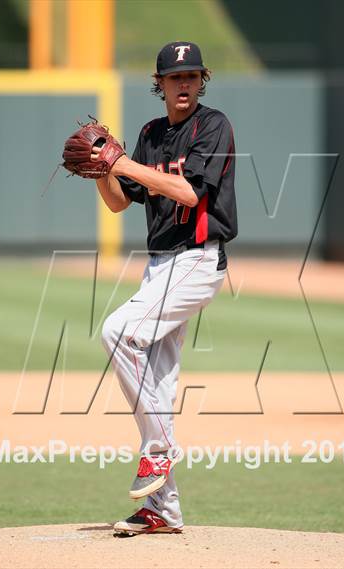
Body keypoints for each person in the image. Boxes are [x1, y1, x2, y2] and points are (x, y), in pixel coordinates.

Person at [92, 41, 238, 535]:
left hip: (198, 261)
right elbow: (118, 202)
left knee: (117, 331)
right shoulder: (152, 134)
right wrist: (100, 170)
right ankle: (164, 509)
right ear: (160, 83)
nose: (184, 84)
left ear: (202, 80)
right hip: (159, 266)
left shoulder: (212, 125)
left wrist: (123, 163)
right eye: (175, 78)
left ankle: (158, 449)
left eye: (192, 76)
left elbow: (190, 192)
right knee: (155, 382)